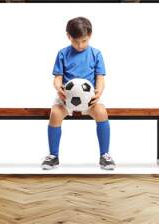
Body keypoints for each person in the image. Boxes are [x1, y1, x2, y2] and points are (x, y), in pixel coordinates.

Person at [41, 16, 115, 171]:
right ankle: (53, 155)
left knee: (101, 112)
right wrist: (58, 88)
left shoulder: (96, 54)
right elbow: (57, 78)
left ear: (90, 36)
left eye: (84, 41)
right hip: (66, 98)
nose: (80, 45)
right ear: (68, 36)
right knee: (55, 113)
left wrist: (99, 92)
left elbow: (100, 78)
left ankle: (105, 155)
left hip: (90, 100)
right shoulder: (62, 54)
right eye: (76, 41)